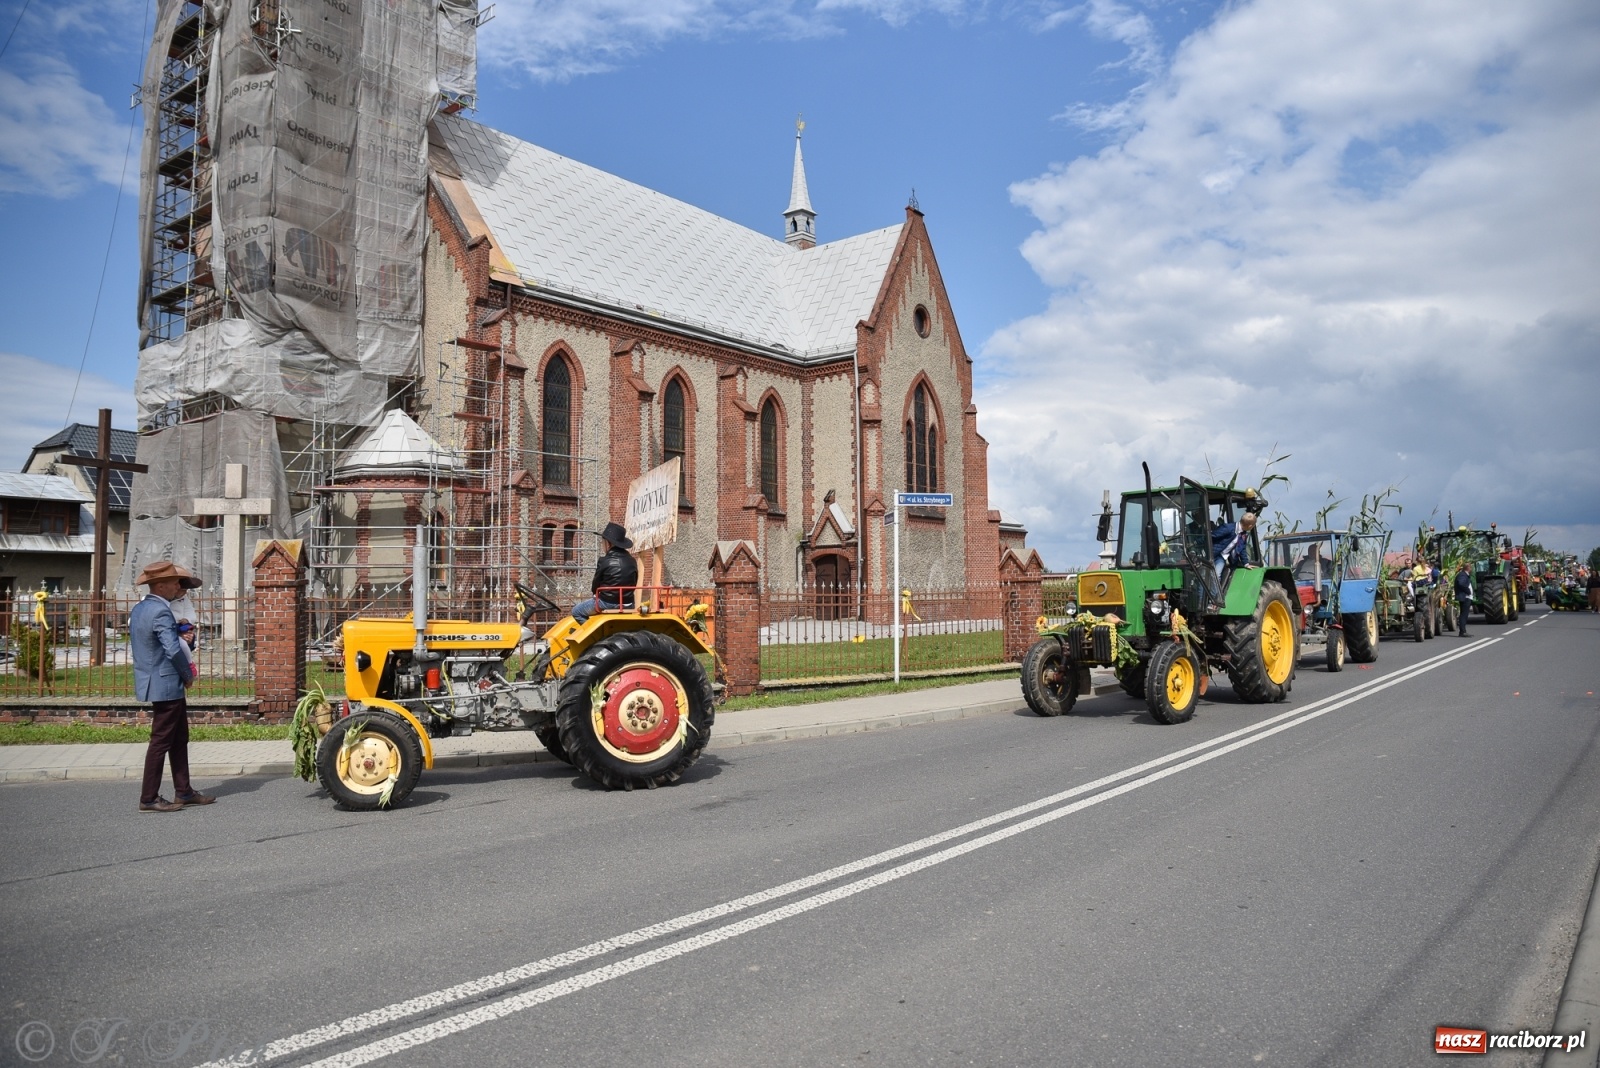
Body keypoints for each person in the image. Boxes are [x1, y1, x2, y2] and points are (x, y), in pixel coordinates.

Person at [131, 561, 214, 812]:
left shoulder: (140, 608)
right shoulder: (161, 611)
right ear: (160, 585)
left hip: (159, 681)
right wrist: (187, 673)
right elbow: (173, 649)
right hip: (166, 682)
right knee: (161, 741)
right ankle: (149, 798)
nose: (179, 586)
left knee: (179, 738)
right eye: (174, 582)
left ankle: (184, 791)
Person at [572, 522, 638, 624]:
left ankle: (592, 634)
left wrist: (595, 594)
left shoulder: (604, 560)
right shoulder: (632, 560)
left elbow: (595, 585)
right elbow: (634, 581)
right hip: (628, 603)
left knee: (576, 611)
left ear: (609, 544)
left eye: (603, 542)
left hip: (607, 603)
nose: (602, 545)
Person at [1211, 512, 1257, 578]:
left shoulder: (1243, 535)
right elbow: (1212, 536)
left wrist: (1246, 564)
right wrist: (1195, 543)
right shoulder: (1228, 528)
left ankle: (1214, 588)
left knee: (1216, 575)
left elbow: (1242, 549)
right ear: (1250, 526)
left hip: (1221, 557)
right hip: (1212, 554)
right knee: (1205, 576)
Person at [1453, 564, 1474, 637]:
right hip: (1465, 597)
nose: (1471, 569)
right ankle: (1462, 631)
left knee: (1464, 614)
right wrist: (1468, 591)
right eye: (1471, 567)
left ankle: (1463, 631)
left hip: (1466, 597)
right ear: (1468, 568)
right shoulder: (1462, 575)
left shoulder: (1464, 575)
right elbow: (1461, 583)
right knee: (1464, 615)